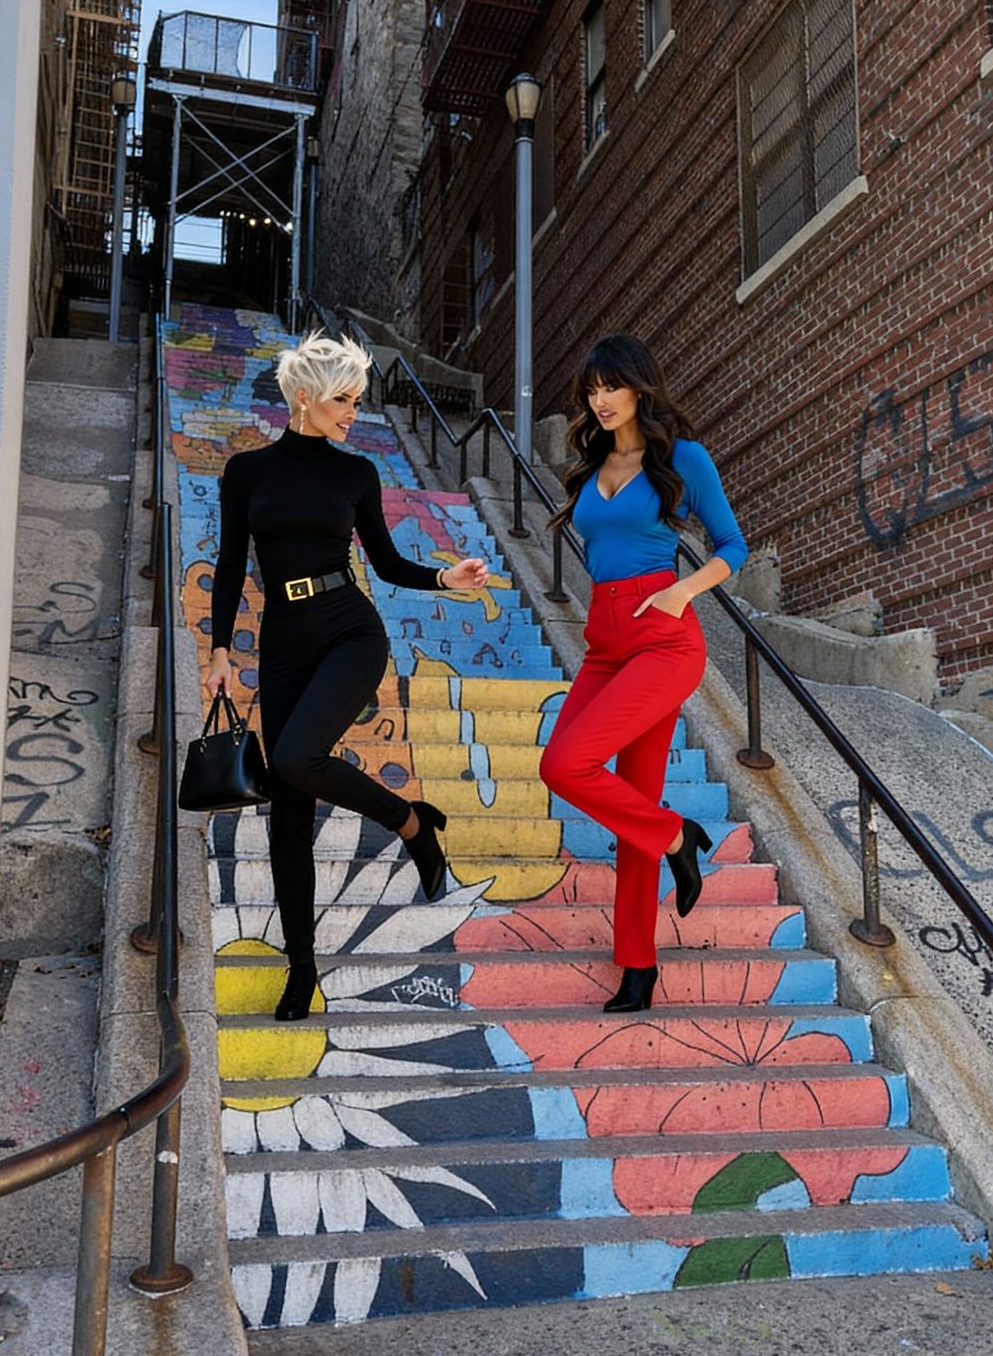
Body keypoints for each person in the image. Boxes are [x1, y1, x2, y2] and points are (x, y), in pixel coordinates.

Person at [205, 333, 490, 1021]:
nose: (352, 413)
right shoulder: (247, 471)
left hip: (350, 632)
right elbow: (230, 562)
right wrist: (219, 648)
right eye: (343, 400)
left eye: (357, 402)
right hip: (281, 643)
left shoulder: (358, 473)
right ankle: (302, 970)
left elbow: (387, 564)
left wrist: (443, 577)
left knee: (299, 756)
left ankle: (411, 822)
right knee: (288, 814)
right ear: (305, 396)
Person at [539, 333, 746, 1014]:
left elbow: (732, 545)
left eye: (611, 386)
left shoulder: (681, 458)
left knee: (570, 762)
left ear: (639, 386)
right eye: (591, 389)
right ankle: (640, 959)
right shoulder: (594, 460)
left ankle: (673, 838)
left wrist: (684, 592)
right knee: (583, 775)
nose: (599, 400)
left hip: (662, 637)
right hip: (604, 640)